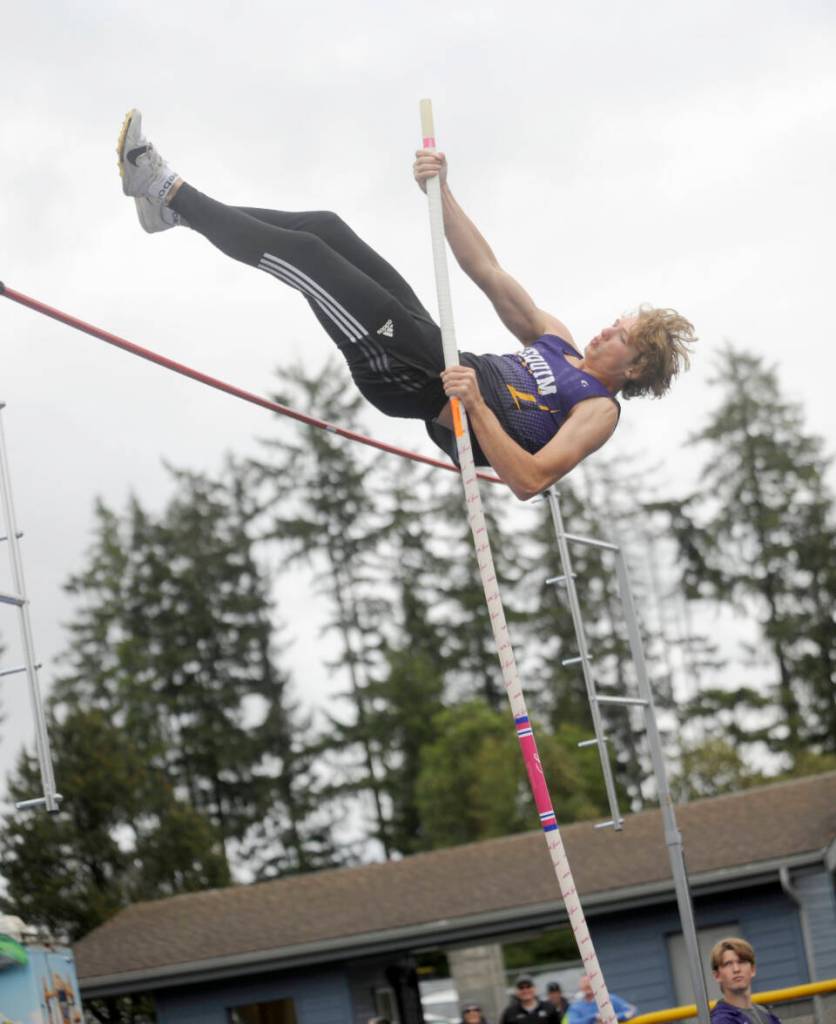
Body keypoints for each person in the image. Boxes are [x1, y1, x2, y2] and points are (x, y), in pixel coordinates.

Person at [116, 110, 696, 501]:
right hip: (434, 347)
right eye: (614, 322)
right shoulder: (558, 339)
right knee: (327, 228)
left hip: (418, 379)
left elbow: (531, 480)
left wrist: (479, 408)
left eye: (621, 334)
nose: (604, 331)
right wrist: (440, 192)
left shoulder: (598, 411)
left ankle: (164, 187)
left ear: (638, 366)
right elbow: (487, 271)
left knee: (308, 257)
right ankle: (170, 212)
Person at [709, 938, 782, 1024]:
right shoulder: (720, 1020)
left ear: (752, 970)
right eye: (728, 964)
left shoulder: (765, 1014)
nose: (736, 969)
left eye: (741, 962)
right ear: (717, 975)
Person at [567, 974, 636, 1024]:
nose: (588, 991)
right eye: (584, 986)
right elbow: (573, 1022)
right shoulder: (576, 1006)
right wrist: (594, 1017)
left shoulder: (610, 999)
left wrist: (611, 1017)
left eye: (589, 986)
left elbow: (630, 1012)